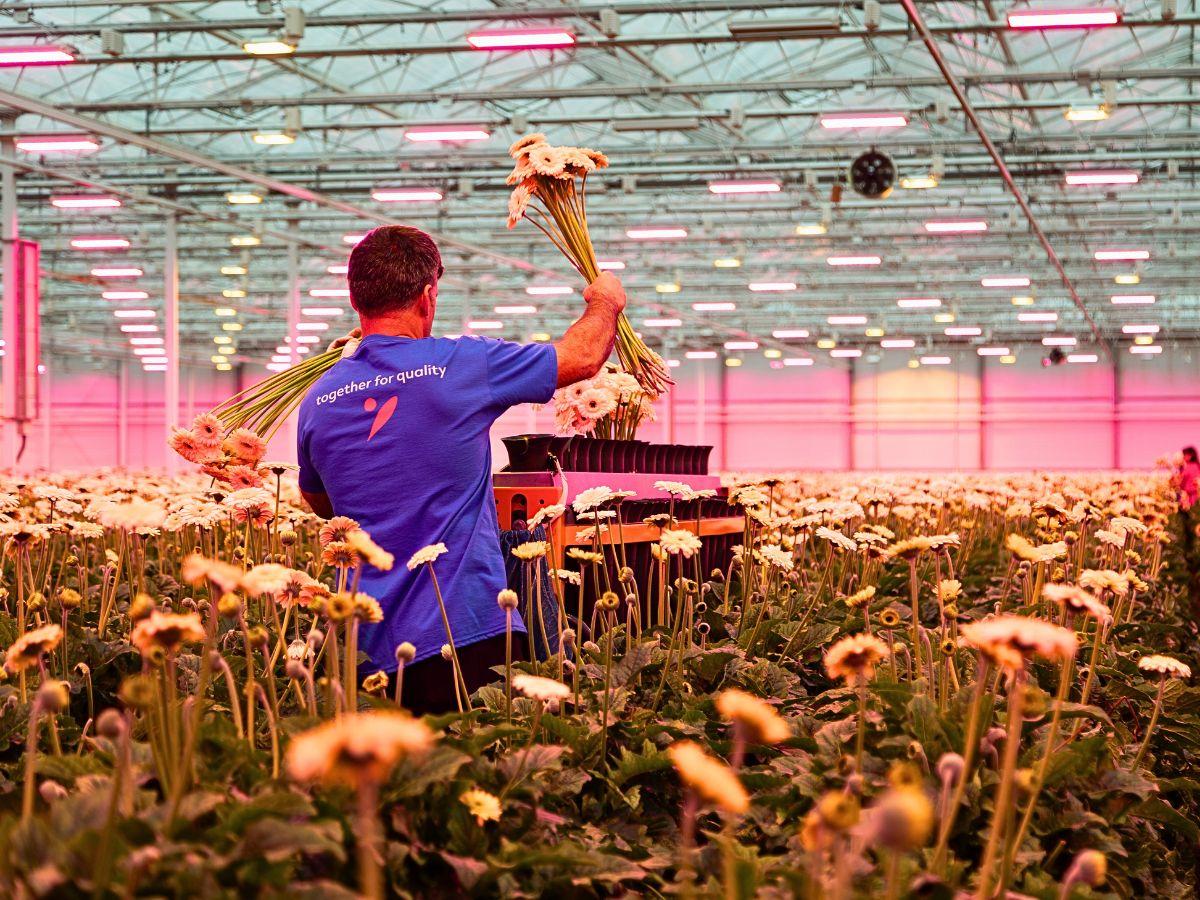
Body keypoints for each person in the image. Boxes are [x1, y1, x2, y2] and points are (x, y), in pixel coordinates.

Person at [296, 225, 625, 714]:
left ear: (354, 299)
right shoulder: (461, 364)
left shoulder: (318, 399)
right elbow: (582, 357)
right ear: (428, 296)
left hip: (362, 647)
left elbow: (323, 504)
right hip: (463, 631)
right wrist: (606, 302)